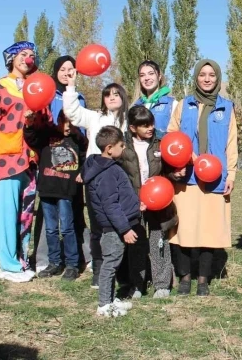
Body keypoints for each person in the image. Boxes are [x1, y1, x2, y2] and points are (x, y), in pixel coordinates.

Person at [0, 41, 48, 282]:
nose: (28, 58)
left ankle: (21, 260)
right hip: (4, 159)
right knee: (6, 214)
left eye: (31, 55)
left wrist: (32, 120)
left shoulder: (36, 88)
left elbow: (43, 123)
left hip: (30, 160)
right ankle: (8, 265)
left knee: (25, 214)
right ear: (12, 59)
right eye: (22, 54)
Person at [167, 59, 237, 297]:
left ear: (217, 79)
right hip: (186, 178)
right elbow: (171, 135)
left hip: (215, 179)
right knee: (183, 230)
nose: (207, 79)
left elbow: (231, 143)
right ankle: (185, 278)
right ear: (195, 77)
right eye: (202, 75)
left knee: (209, 230)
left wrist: (232, 174)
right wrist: (181, 159)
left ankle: (203, 280)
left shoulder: (227, 107)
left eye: (212, 75)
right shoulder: (184, 104)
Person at [64, 75, 129, 288]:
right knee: (98, 226)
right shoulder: (94, 117)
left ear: (123, 97)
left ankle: (122, 272)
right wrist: (71, 86)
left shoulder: (128, 120)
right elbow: (72, 113)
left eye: (116, 94)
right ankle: (99, 270)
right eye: (107, 94)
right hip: (97, 179)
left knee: (122, 223)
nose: (111, 97)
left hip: (123, 177)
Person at [34, 55, 90, 274]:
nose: (67, 72)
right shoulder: (46, 94)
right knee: (49, 223)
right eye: (63, 69)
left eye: (71, 69)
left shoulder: (80, 97)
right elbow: (37, 129)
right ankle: (49, 259)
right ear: (55, 71)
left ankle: (75, 260)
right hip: (48, 166)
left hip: (70, 168)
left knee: (72, 217)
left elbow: (82, 134)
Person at [83, 126, 145, 317]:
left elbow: (121, 198)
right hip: (114, 228)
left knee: (113, 262)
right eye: (121, 145)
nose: (124, 147)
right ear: (109, 148)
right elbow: (110, 205)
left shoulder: (108, 167)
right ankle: (103, 305)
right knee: (110, 264)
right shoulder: (107, 173)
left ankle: (110, 299)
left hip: (118, 225)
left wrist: (136, 207)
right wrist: (125, 229)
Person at [119, 106, 177, 299]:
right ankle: (137, 285)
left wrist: (174, 174)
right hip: (134, 204)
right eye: (145, 125)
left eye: (151, 123)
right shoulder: (123, 147)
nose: (150, 128)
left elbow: (167, 170)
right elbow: (120, 176)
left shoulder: (159, 144)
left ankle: (162, 284)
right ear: (133, 128)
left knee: (159, 242)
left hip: (158, 204)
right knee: (136, 245)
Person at [23, 110, 87, 281]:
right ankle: (54, 262)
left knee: (67, 228)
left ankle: (72, 264)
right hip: (47, 189)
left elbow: (85, 155)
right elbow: (31, 138)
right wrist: (28, 124)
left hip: (66, 190)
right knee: (51, 229)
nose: (67, 126)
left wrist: (81, 172)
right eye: (64, 122)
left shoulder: (78, 139)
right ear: (58, 121)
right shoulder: (47, 134)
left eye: (71, 122)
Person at [134, 60, 178, 139]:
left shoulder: (172, 104)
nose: (147, 78)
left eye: (151, 73)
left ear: (159, 76)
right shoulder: (136, 106)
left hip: (162, 150)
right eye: (142, 75)